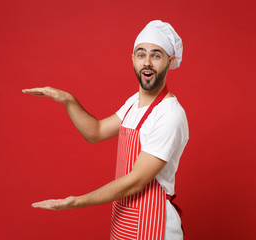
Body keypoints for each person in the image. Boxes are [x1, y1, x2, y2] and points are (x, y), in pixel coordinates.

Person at [22, 20, 189, 240]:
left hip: (155, 226)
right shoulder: (133, 103)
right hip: (124, 218)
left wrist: (77, 201)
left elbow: (137, 180)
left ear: (170, 60)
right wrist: (68, 100)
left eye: (156, 55)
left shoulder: (169, 115)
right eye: (141, 54)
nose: (147, 62)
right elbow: (96, 131)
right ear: (132, 59)